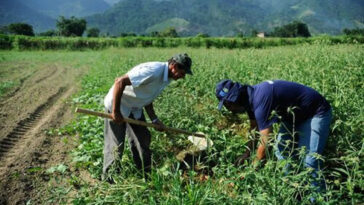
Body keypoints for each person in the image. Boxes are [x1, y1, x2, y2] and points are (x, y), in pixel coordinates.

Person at [215, 79, 332, 192]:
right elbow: (254, 128)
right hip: (293, 116)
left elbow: (265, 140)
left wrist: (252, 169)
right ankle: (291, 190)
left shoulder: (260, 99)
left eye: (227, 104)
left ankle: (316, 198)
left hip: (315, 112)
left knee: (310, 162)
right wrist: (247, 153)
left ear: (235, 99)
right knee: (282, 151)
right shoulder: (249, 100)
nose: (228, 109)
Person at [103, 53, 192, 180]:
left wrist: (154, 119)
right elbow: (119, 82)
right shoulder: (153, 71)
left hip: (135, 108)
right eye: (182, 73)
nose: (182, 77)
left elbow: (148, 97)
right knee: (116, 145)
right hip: (118, 105)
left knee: (143, 139)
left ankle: (145, 174)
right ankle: (108, 179)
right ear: (174, 66)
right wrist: (115, 112)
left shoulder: (166, 78)